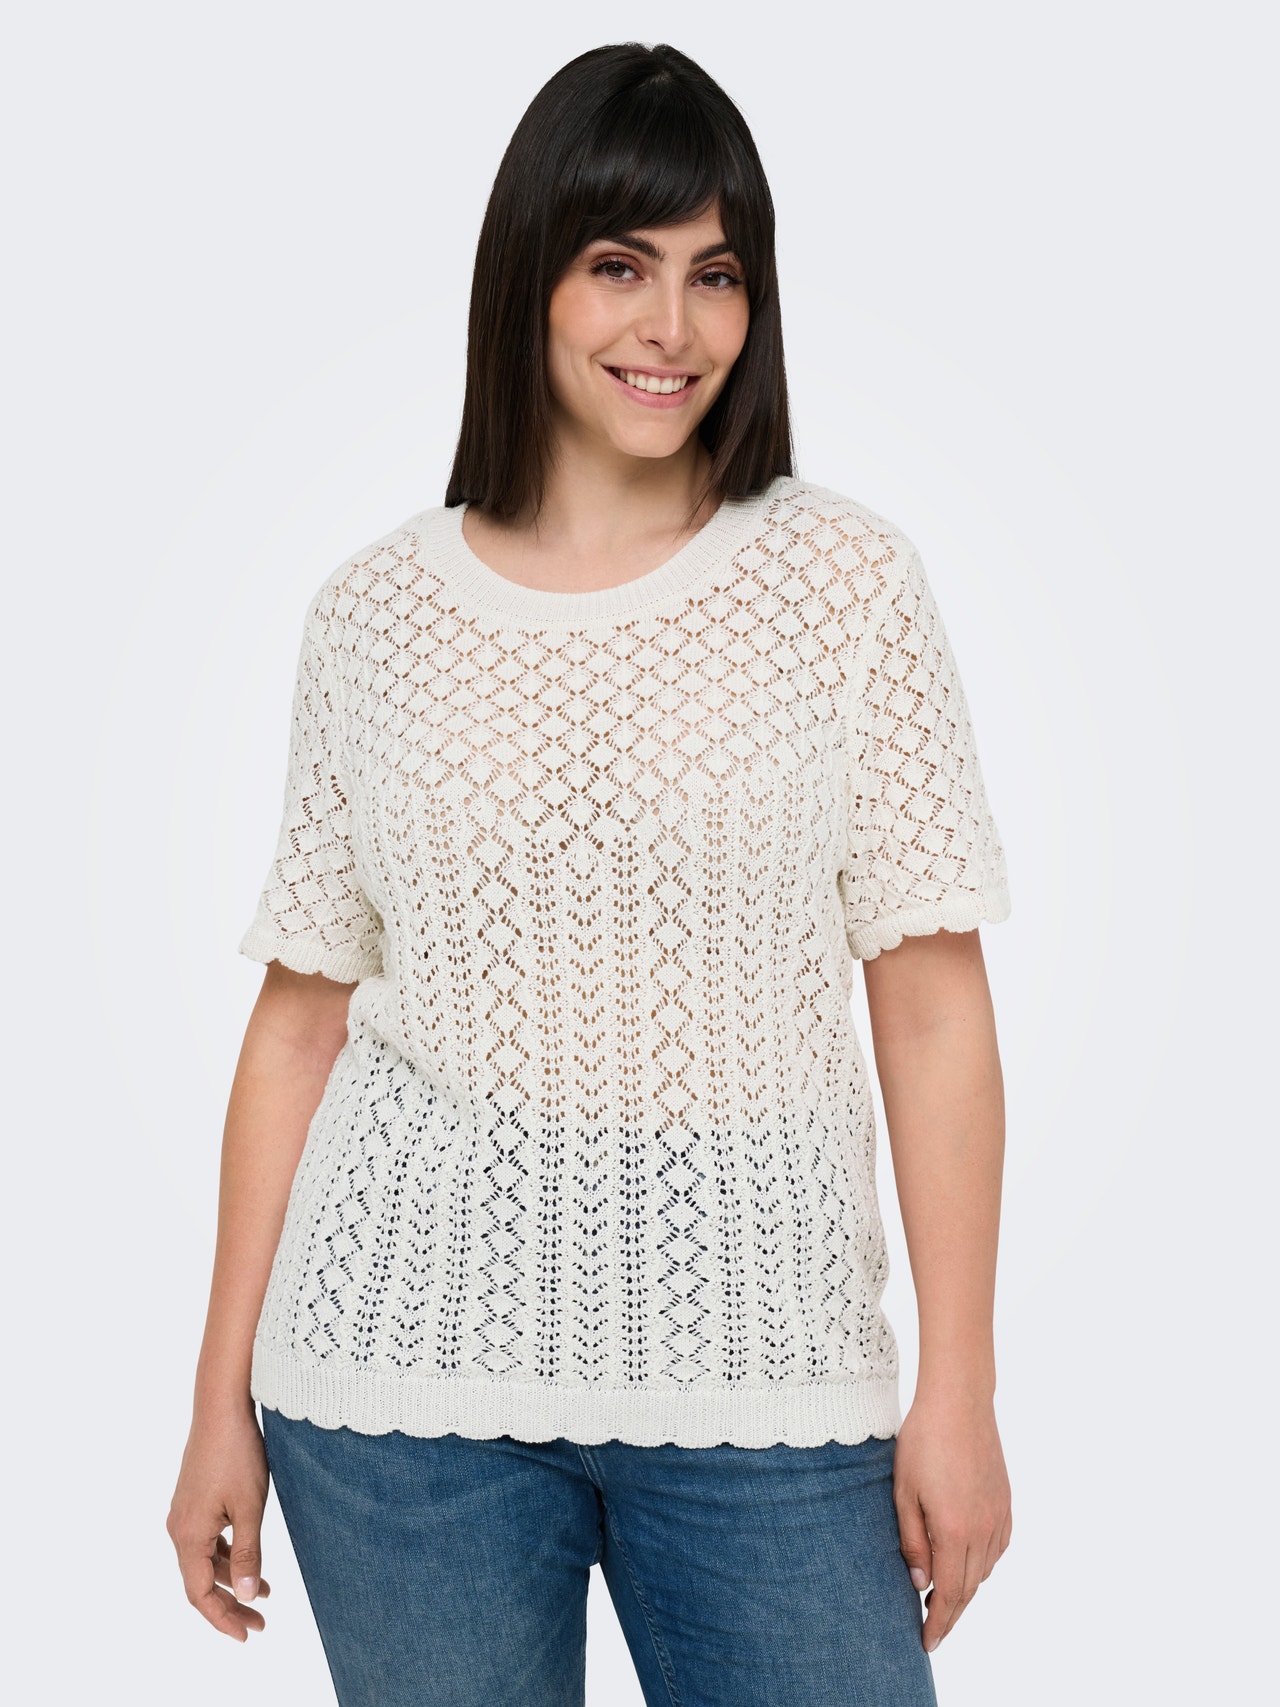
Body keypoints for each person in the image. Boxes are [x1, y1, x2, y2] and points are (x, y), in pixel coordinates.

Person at [167, 40, 1013, 1707]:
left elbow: (931, 1013)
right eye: (621, 265)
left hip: (770, 1381)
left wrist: (962, 1390)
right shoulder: (374, 615)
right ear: (531, 279)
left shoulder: (843, 585)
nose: (672, 326)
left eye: (718, 274)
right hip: (397, 1393)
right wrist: (214, 1404)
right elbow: (299, 1024)